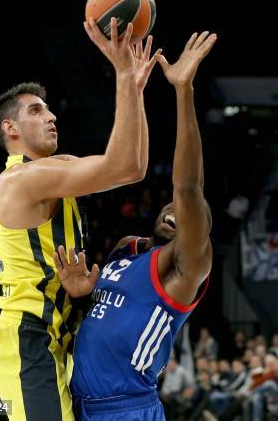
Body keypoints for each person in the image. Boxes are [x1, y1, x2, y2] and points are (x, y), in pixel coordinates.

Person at [0, 18, 160, 421]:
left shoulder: (55, 168)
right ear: (10, 129)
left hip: (59, 336)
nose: (51, 117)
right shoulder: (20, 180)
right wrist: (121, 73)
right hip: (28, 336)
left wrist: (134, 89)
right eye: (36, 110)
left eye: (48, 109)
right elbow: (120, 164)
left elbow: (133, 165)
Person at [59, 31, 217, 421]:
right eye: (171, 207)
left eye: (187, 216)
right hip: (78, 403)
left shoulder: (184, 267)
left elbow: (189, 187)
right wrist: (83, 295)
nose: (175, 213)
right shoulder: (127, 249)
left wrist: (183, 90)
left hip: (126, 408)